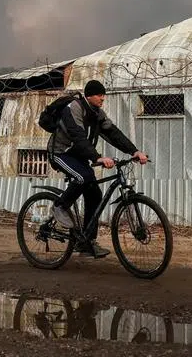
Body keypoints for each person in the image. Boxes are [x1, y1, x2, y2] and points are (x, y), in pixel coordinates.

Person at [47, 79, 149, 258]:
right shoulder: (73, 108)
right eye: (99, 95)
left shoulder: (97, 113)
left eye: (104, 95)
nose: (103, 98)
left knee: (95, 194)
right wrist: (97, 157)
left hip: (78, 156)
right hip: (60, 153)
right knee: (84, 177)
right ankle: (60, 206)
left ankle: (87, 242)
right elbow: (78, 137)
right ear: (89, 95)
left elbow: (113, 133)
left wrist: (134, 151)